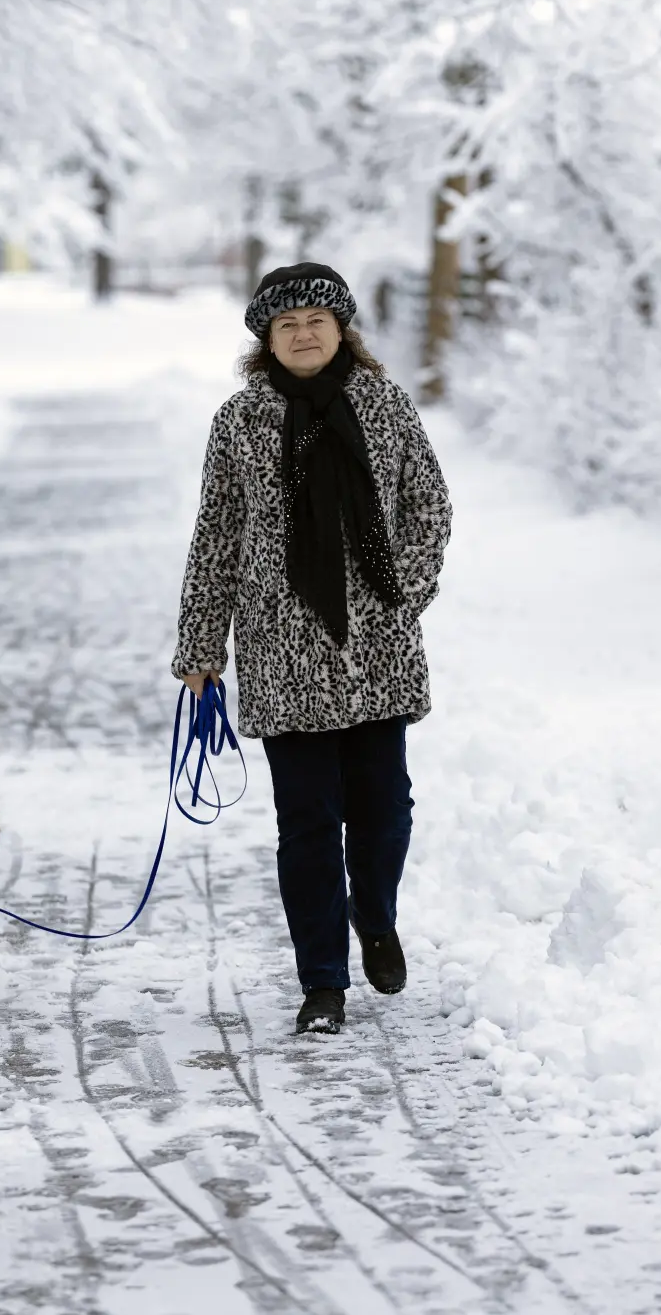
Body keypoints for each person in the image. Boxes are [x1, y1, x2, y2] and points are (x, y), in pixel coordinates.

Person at [172, 262, 451, 1035]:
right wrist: (201, 644)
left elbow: (429, 505)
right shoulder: (239, 420)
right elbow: (217, 537)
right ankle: (322, 982)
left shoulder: (384, 403)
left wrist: (404, 597)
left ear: (342, 331)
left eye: (316, 320)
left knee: (385, 813)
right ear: (267, 337)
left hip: (377, 652)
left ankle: (376, 916)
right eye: (286, 323)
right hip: (279, 651)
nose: (302, 332)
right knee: (307, 826)